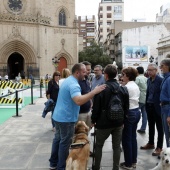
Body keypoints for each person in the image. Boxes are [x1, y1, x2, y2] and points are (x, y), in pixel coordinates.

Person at [49, 63, 106, 170]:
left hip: (58, 116)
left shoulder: (68, 80)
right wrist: (94, 92)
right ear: (77, 72)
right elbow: (78, 100)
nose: (86, 74)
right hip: (66, 118)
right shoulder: (74, 84)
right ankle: (61, 167)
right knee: (64, 143)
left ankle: (53, 163)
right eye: (84, 72)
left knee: (57, 139)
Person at [91, 64, 129, 170]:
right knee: (117, 146)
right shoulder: (123, 89)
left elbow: (96, 108)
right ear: (116, 74)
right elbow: (126, 107)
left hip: (103, 123)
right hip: (118, 122)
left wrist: (93, 120)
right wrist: (123, 120)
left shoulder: (101, 89)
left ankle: (97, 167)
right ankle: (115, 168)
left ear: (106, 75)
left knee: (98, 145)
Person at [140, 63, 164, 156]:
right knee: (150, 125)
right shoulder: (148, 80)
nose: (149, 72)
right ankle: (150, 143)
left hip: (157, 107)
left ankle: (159, 147)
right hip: (149, 105)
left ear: (156, 70)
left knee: (160, 128)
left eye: (151, 70)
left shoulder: (161, 80)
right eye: (148, 70)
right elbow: (148, 92)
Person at [120, 67, 141, 170]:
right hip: (136, 111)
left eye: (123, 75)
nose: (122, 77)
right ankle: (133, 161)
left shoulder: (127, 87)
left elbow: (123, 102)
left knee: (126, 139)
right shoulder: (134, 85)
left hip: (129, 113)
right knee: (133, 138)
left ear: (127, 76)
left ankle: (128, 163)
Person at [160, 57, 170, 147]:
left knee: (168, 134)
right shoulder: (166, 78)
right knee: (167, 133)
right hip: (164, 108)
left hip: (167, 109)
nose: (160, 67)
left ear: (167, 66)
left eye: (162, 65)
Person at [78, 61, 92, 128]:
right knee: (79, 134)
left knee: (86, 133)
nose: (89, 71)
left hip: (88, 111)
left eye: (90, 69)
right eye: (88, 70)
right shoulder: (77, 82)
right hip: (80, 113)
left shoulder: (87, 80)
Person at [135, 66, 148, 134]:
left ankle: (134, 127)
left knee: (135, 113)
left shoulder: (137, 78)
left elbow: (135, 87)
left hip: (140, 98)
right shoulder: (146, 78)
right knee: (144, 114)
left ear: (137, 71)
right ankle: (143, 128)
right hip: (146, 97)